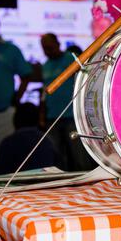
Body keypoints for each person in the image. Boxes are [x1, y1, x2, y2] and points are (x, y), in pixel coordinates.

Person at [0, 10, 40, 171]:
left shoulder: (10, 49)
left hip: (4, 111)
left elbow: (26, 75)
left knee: (0, 151)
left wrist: (16, 98)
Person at [40, 33, 94, 171]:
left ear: (58, 44)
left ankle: (86, 186)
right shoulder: (45, 65)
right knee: (56, 159)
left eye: (50, 47)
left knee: (79, 156)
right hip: (52, 118)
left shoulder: (71, 59)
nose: (48, 51)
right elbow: (44, 93)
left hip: (72, 116)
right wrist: (42, 115)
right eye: (45, 48)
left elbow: (86, 81)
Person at [0, 103, 58, 174]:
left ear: (15, 119)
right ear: (37, 119)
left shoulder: (7, 143)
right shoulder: (48, 141)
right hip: (45, 183)